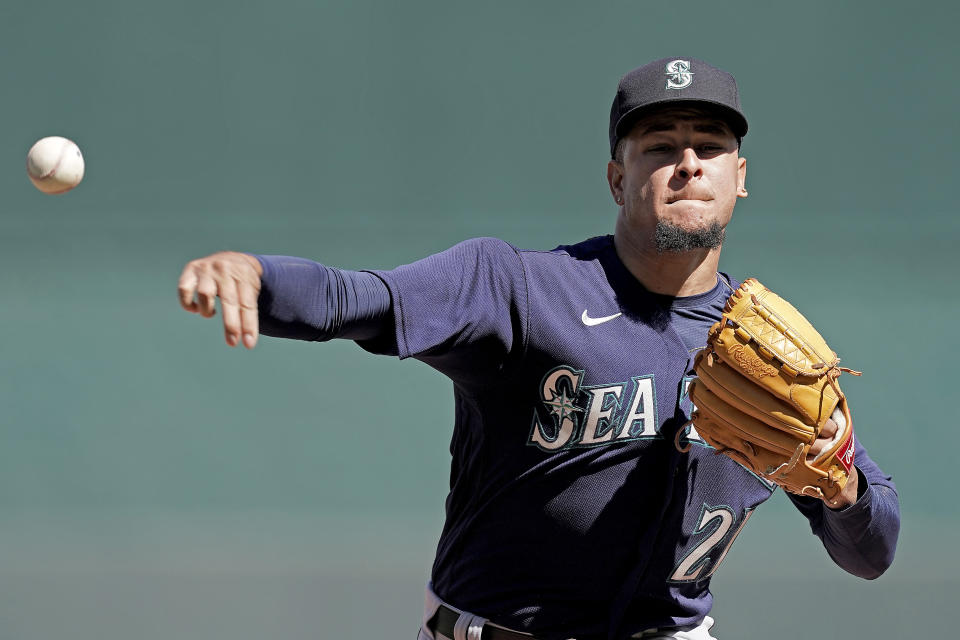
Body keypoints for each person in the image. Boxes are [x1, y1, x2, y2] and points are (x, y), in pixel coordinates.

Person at [177, 57, 900, 640]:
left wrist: (840, 487)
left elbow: (872, 552)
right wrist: (258, 276)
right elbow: (359, 299)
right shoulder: (516, 288)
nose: (688, 162)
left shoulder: (777, 361)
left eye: (710, 146)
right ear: (618, 178)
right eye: (660, 146)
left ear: (740, 178)